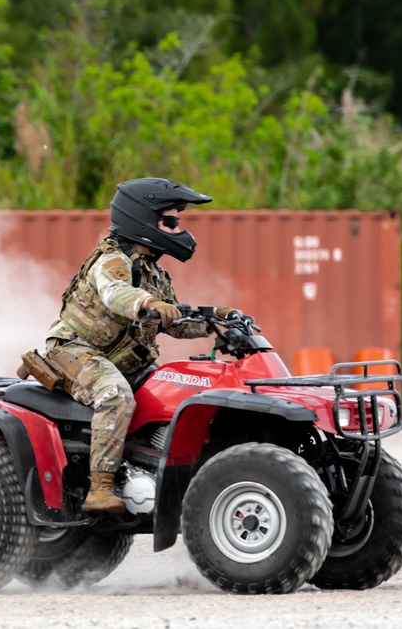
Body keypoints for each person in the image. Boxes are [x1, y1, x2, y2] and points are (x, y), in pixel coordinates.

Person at [19, 177, 241, 514]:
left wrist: (217, 321)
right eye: (170, 222)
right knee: (115, 395)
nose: (178, 229)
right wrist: (147, 302)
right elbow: (117, 295)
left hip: (120, 359)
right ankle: (100, 489)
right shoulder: (111, 261)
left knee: (176, 390)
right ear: (144, 220)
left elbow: (173, 321)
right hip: (74, 351)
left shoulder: (153, 271)